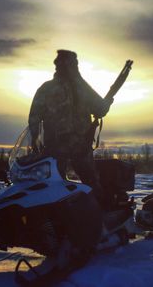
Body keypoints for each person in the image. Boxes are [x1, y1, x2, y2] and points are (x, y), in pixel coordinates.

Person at [28, 49, 112, 197]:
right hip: (60, 148)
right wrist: (35, 139)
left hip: (77, 147)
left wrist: (108, 100)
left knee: (60, 187)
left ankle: (98, 212)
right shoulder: (76, 88)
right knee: (60, 186)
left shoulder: (69, 88)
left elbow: (100, 109)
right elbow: (101, 109)